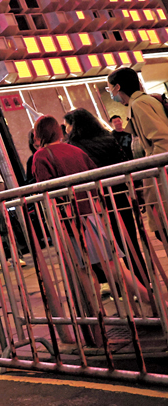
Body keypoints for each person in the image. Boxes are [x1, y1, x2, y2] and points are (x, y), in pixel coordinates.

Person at [33, 116, 150, 308]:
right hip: (93, 213)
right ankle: (150, 303)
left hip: (70, 219)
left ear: (39, 134)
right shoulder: (75, 150)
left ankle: (98, 317)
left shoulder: (42, 156)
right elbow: (94, 176)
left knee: (84, 269)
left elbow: (44, 190)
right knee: (114, 265)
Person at [65, 108, 149, 293]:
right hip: (120, 195)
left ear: (75, 126)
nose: (67, 130)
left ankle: (122, 289)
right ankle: (143, 281)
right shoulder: (110, 139)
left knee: (107, 248)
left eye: (68, 126)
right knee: (130, 240)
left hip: (97, 200)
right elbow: (124, 163)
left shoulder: (74, 146)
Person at [107, 67, 168, 236]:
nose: (111, 93)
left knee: (163, 228)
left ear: (117, 87)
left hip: (161, 177)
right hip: (159, 173)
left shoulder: (139, 104)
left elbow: (162, 139)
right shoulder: (145, 101)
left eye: (110, 88)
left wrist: (152, 169)